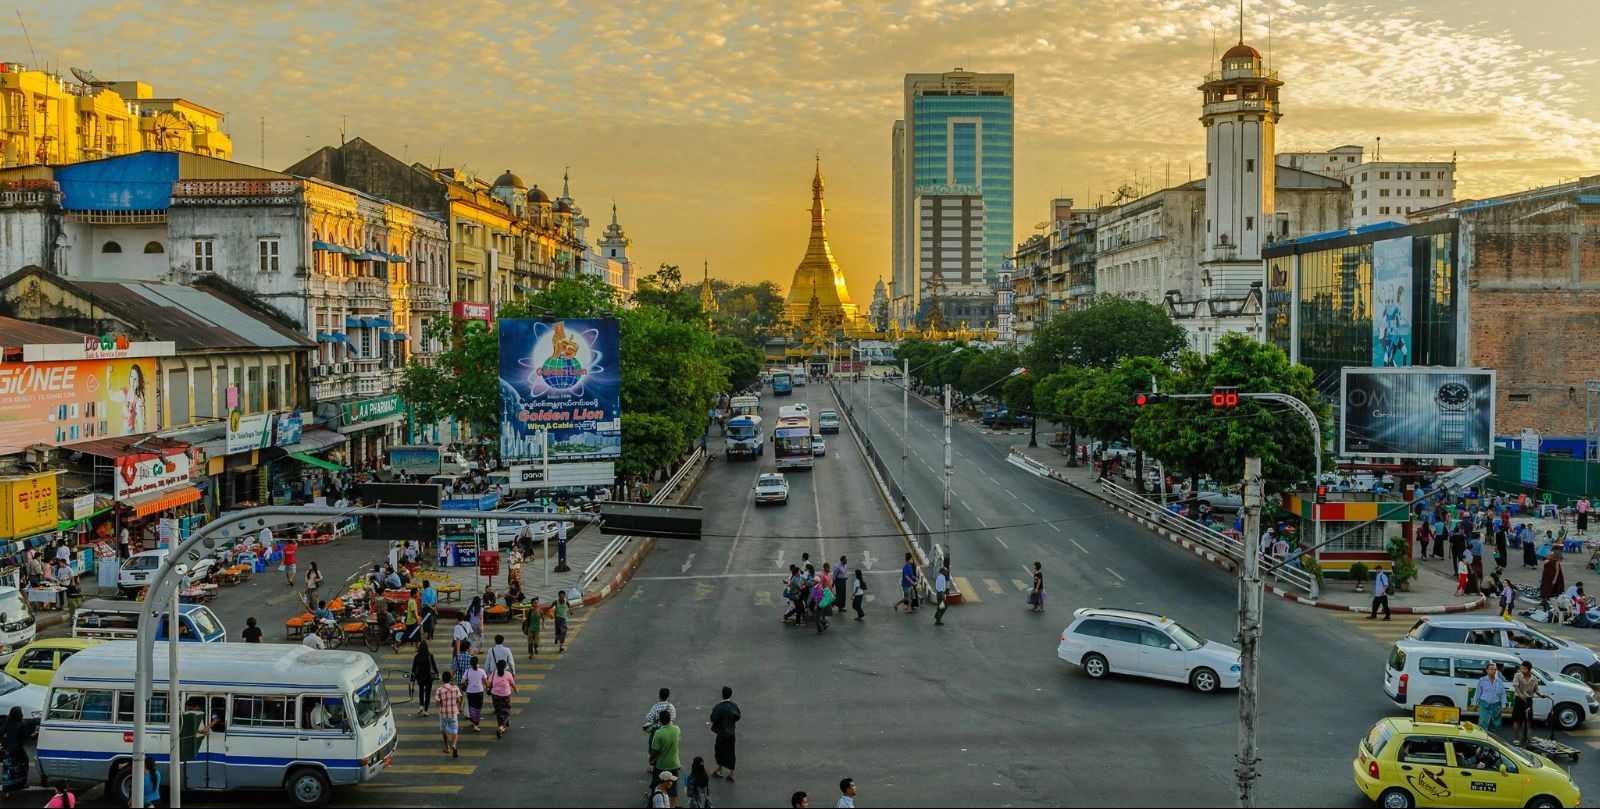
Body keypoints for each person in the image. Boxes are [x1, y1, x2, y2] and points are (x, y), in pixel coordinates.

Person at [0, 706, 38, 798]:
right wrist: (35, 733)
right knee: (23, 765)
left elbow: (1, 733)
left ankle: (7, 791)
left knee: (8, 770)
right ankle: (20, 784)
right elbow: (26, 737)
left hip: (7, 751)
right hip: (17, 750)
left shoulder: (6, 722)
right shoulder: (22, 724)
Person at [649, 709, 682, 808]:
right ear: (670, 719)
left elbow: (655, 750)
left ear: (660, 721)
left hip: (661, 765)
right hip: (674, 763)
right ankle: (672, 806)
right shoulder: (677, 729)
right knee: (673, 787)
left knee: (657, 785)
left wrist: (651, 759)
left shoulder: (658, 733)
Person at [709, 686, 740, 782]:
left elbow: (712, 718)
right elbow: (738, 716)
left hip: (721, 733)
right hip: (731, 733)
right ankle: (732, 773)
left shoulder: (719, 707)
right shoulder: (734, 706)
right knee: (731, 752)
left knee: (719, 751)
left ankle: (720, 769)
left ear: (722, 694)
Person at [1511, 660, 1543, 747]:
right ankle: (1516, 738)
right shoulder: (1517, 676)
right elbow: (1516, 686)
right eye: (1522, 668)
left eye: (1524, 669)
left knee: (1528, 720)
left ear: (1529, 670)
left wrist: (1541, 695)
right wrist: (1521, 695)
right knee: (1517, 719)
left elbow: (1536, 690)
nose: (1522, 670)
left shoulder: (1534, 679)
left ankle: (1524, 738)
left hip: (1528, 700)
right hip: (1519, 700)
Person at [435, 670, 462, 758]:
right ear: (451, 678)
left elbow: (437, 704)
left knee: (444, 730)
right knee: (454, 731)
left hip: (443, 714)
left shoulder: (439, 690)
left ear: (442, 679)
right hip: (453, 713)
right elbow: (459, 700)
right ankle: (454, 745)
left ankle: (447, 747)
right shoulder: (455, 688)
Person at [488, 658, 516, 738]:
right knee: (506, 711)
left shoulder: (493, 674)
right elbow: (512, 683)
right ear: (504, 667)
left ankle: (502, 725)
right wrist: (515, 689)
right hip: (505, 695)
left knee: (499, 712)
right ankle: (501, 727)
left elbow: (489, 684)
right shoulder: (508, 674)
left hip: (495, 695)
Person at [1476, 663, 1507, 734]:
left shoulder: (1499, 681)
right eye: (1491, 669)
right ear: (1487, 670)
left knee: (1495, 724)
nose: (1493, 671)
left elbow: (1503, 694)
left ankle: (1492, 740)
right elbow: (1477, 693)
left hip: (1496, 705)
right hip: (1484, 704)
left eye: (1495, 669)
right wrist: (1475, 703)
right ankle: (1482, 739)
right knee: (1483, 722)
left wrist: (1503, 705)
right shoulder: (1482, 680)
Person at [413, 641, 440, 717]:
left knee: (421, 691)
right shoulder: (429, 656)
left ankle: (421, 706)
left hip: (420, 677)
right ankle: (426, 710)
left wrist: (412, 678)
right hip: (428, 677)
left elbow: (414, 668)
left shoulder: (417, 656)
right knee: (428, 693)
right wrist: (437, 674)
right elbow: (434, 665)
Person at [462, 656, 487, 733]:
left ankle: (473, 722)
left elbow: (462, 681)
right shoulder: (481, 671)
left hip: (470, 692)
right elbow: (486, 682)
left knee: (472, 707)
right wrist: (488, 687)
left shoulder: (468, 671)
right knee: (478, 708)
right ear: (477, 663)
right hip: (479, 692)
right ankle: (476, 724)